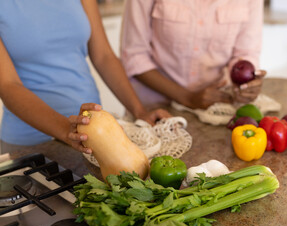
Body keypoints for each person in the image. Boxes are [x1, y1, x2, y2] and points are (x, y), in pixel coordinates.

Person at [0, 0, 171, 154]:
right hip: (31, 143)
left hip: (93, 133)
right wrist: (67, 129)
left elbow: (104, 56)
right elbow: (8, 85)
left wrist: (139, 111)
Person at [120, 0, 265, 110]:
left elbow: (246, 52)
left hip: (215, 107)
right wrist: (187, 98)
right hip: (154, 108)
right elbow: (134, 56)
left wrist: (245, 83)